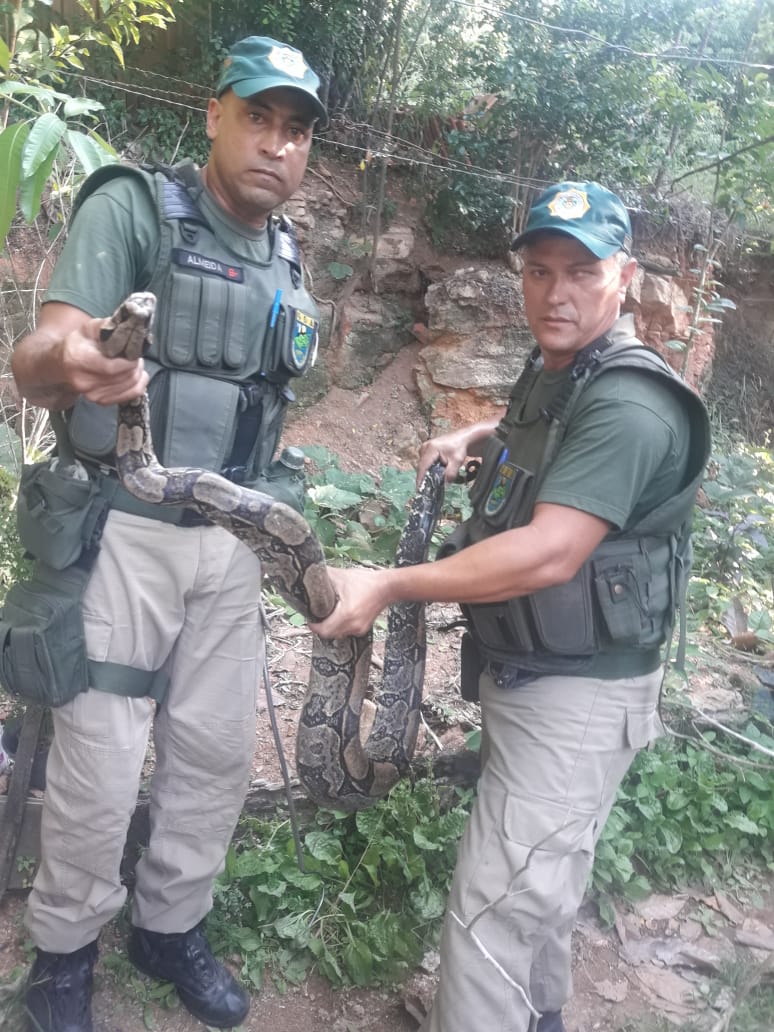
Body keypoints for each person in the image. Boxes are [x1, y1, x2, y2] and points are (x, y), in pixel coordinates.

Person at [310, 182, 711, 1032]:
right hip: (546, 679)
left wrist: (386, 585)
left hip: (576, 701)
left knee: (490, 916)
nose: (556, 292)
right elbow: (546, 433)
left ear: (625, 276)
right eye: (538, 271)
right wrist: (477, 436)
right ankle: (540, 1018)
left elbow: (550, 550)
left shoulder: (633, 404)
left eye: (580, 271)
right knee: (541, 880)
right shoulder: (568, 366)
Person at [10, 35, 326, 1032]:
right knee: (99, 760)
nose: (277, 144)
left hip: (231, 545)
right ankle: (62, 950)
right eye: (259, 117)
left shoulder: (287, 257)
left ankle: (169, 924)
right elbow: (37, 354)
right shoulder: (136, 208)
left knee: (215, 753)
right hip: (124, 530)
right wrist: (81, 361)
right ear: (214, 114)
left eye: (297, 130)